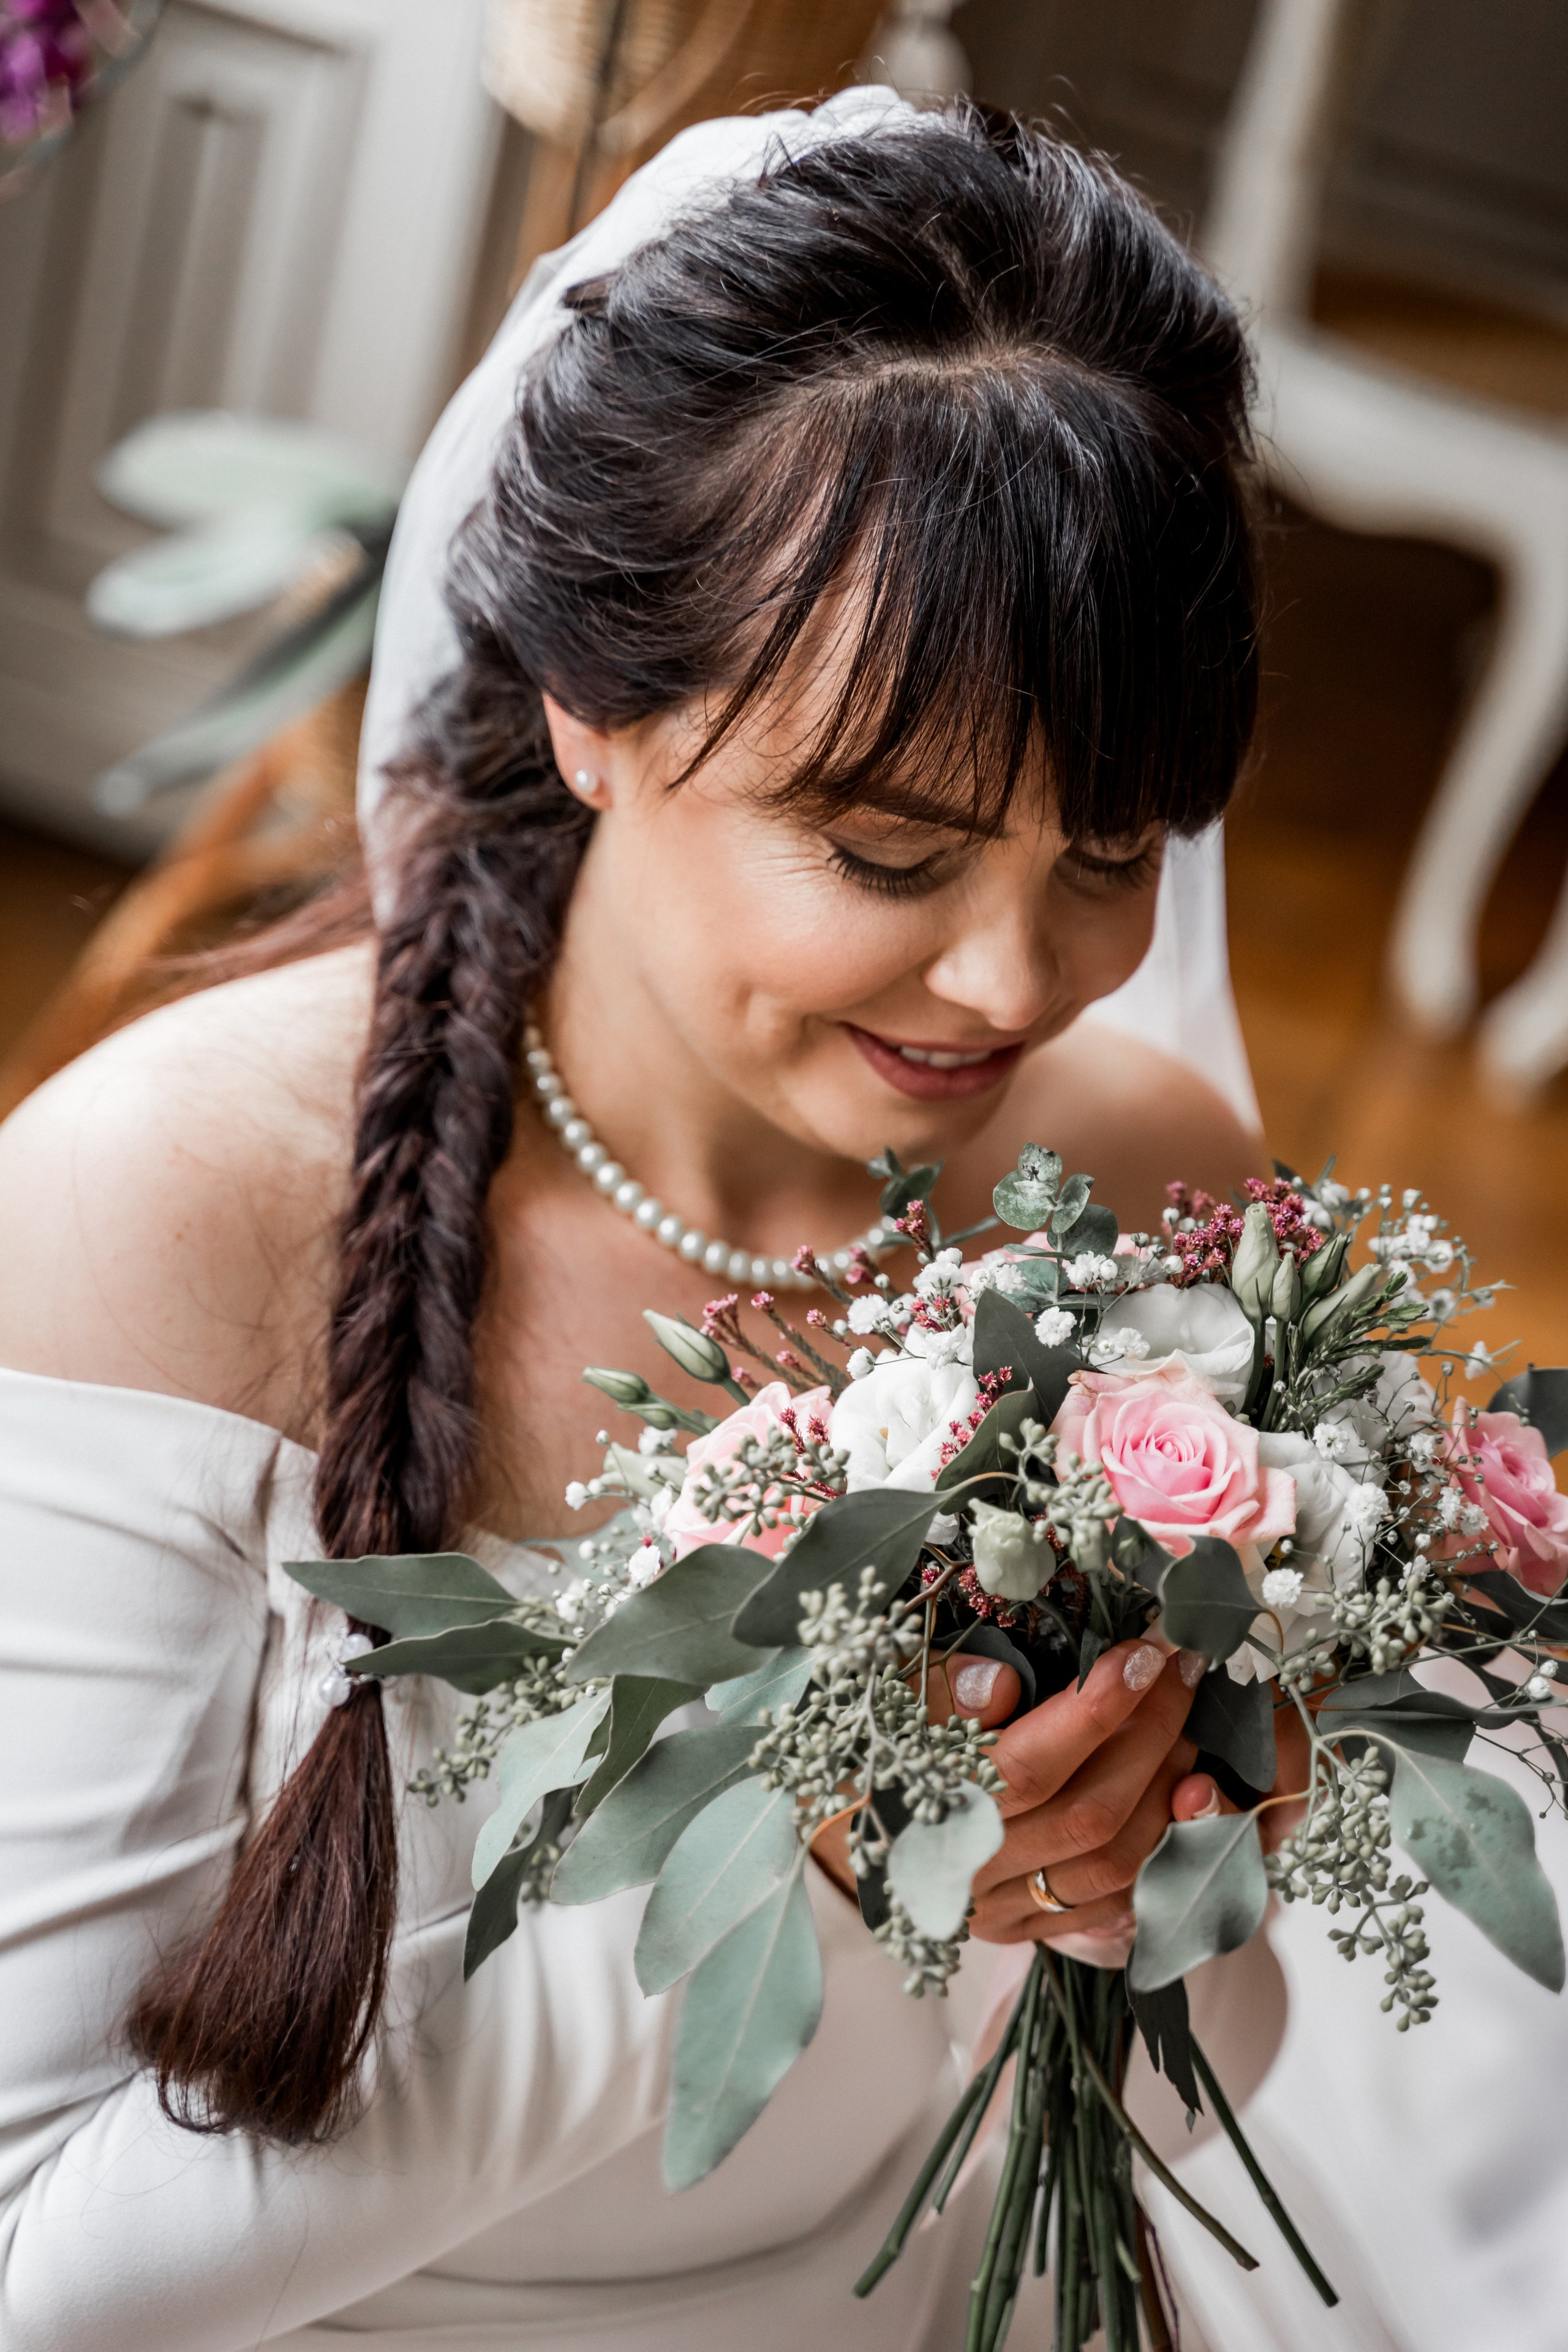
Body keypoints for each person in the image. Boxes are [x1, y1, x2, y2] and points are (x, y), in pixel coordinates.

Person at [0, 89, 1275, 2350]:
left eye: (1112, 856)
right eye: (888, 854)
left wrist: (1133, 1896)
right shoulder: (161, 1222)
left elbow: (1189, 2104)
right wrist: (763, 1830)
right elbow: (38, 2276)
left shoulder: (1152, 1197)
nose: (1012, 980)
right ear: (593, 706)